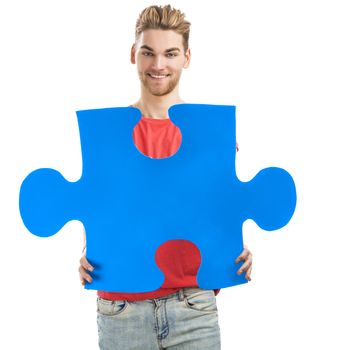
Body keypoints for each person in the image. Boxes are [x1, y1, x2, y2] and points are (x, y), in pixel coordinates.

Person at [79, 4, 253, 349]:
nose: (158, 65)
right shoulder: (108, 133)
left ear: (186, 57)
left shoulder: (210, 135)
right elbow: (102, 206)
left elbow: (216, 211)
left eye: (170, 53)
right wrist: (90, 251)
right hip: (121, 309)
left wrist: (236, 249)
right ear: (134, 54)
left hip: (194, 307)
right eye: (148, 53)